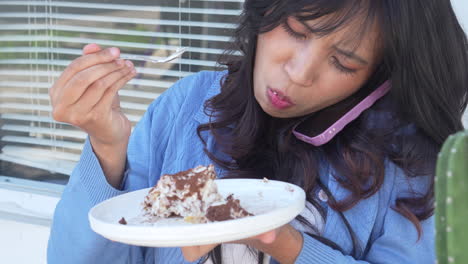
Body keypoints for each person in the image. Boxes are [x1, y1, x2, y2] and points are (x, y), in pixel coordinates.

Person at [47, 0, 468, 263]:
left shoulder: (407, 166)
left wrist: (287, 245)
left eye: (344, 63)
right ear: (264, 10)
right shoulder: (184, 107)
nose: (299, 73)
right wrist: (107, 145)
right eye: (296, 30)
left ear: (378, 79)